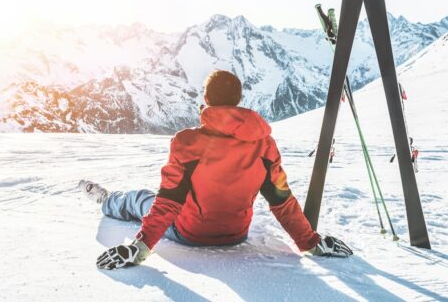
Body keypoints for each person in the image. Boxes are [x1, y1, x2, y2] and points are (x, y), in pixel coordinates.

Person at [80, 70, 352, 270]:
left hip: (190, 233)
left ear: (206, 100)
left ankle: (108, 201)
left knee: (139, 199)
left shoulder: (187, 142)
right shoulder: (265, 145)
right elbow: (282, 200)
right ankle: (112, 201)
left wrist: (139, 248)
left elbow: (168, 202)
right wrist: (310, 242)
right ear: (238, 100)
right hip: (237, 234)